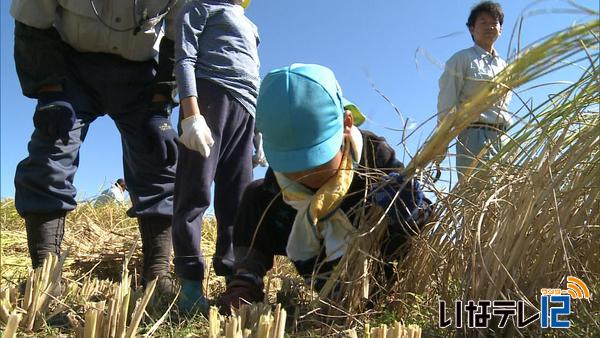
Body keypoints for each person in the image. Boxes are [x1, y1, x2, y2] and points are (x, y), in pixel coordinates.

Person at [216, 64, 431, 312]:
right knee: (254, 194)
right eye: (290, 165)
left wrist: (413, 211)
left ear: (346, 124)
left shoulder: (375, 157)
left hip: (372, 269)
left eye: (315, 159)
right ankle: (245, 282)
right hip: (316, 263)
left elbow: (422, 223)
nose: (303, 175)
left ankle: (379, 296)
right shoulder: (278, 184)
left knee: (400, 209)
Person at [11, 0, 183, 293]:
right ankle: (45, 271)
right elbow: (31, 21)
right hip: (72, 70)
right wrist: (49, 92)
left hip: (142, 76)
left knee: (159, 160)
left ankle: (157, 273)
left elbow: (178, 40)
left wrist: (161, 105)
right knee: (52, 151)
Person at [172, 0, 261, 313]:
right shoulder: (199, 7)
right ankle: (190, 281)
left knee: (237, 200)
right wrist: (190, 114)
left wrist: (258, 135)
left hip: (246, 110)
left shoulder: (250, 25)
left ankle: (233, 280)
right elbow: (184, 58)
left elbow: (255, 76)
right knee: (194, 189)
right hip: (211, 94)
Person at [437, 1, 512, 177]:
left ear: (501, 29)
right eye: (483, 22)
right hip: (474, 137)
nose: (490, 27)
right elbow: (446, 104)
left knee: (505, 196)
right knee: (476, 195)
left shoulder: (505, 66)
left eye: (494, 23)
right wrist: (440, 143)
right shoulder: (461, 59)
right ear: (472, 28)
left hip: (503, 137)